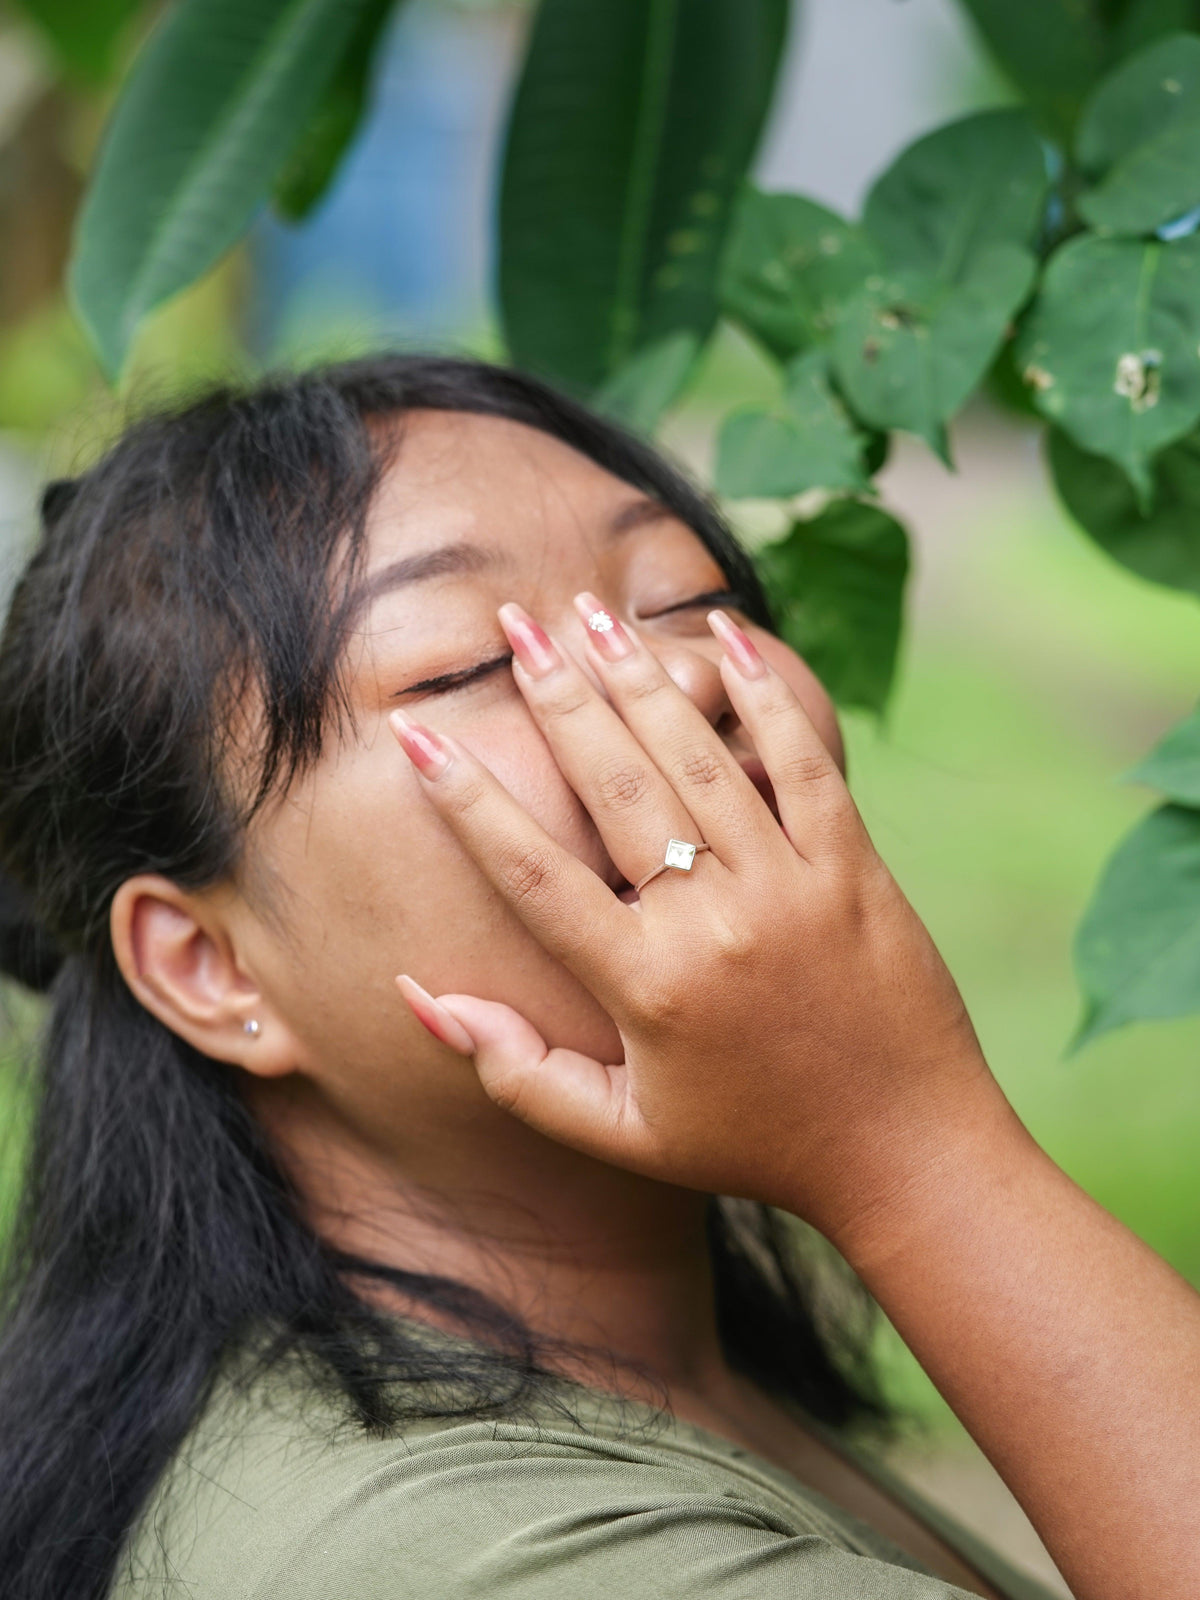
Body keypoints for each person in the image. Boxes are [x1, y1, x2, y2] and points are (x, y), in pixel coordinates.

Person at [0, 356, 1194, 1600]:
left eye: (692, 597)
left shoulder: (666, 1383)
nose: (671, 678)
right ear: (210, 967)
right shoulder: (458, 1557)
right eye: (470, 664)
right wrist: (908, 1146)